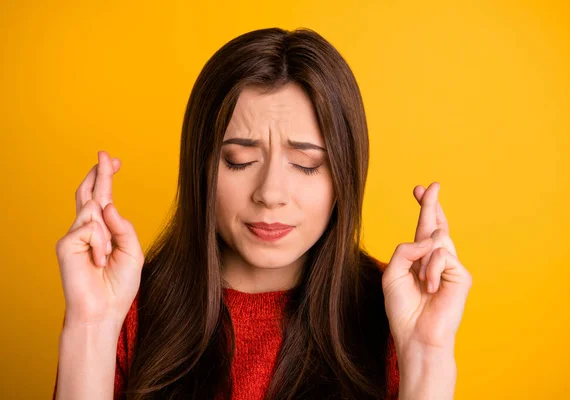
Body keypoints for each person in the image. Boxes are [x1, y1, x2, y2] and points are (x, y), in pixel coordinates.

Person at [52, 27, 472, 400]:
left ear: (346, 174)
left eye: (307, 164)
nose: (271, 194)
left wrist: (427, 355)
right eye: (238, 160)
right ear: (200, 168)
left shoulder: (396, 314)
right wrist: (91, 324)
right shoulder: (129, 309)